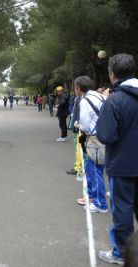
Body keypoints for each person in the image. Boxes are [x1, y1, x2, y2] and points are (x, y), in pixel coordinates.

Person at [96, 53, 138, 265]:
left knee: (122, 210)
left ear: (112, 75)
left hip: (123, 165)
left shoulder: (115, 100)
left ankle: (122, 253)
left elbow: (106, 135)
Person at [74, 76, 107, 212]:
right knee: (92, 169)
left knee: (94, 171)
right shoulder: (100, 96)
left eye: (75, 87)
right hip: (104, 136)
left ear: (79, 88)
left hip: (95, 139)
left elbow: (86, 125)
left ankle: (100, 204)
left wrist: (77, 124)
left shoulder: (85, 101)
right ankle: (92, 197)